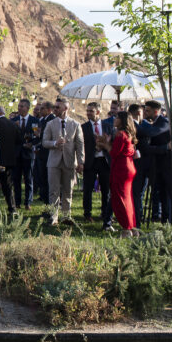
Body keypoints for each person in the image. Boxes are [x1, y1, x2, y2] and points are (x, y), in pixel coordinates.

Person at [42, 97, 84, 226]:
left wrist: (81, 162)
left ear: (66, 108)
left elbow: (80, 144)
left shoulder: (75, 124)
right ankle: (53, 217)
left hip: (69, 161)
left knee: (68, 191)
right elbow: (44, 142)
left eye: (57, 107)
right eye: (54, 107)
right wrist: (55, 143)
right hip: (53, 162)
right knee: (53, 191)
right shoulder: (50, 124)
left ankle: (66, 216)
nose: (54, 109)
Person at [81, 102, 114, 231]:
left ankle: (105, 212)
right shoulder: (83, 127)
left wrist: (104, 145)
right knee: (88, 188)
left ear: (98, 112)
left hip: (104, 161)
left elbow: (112, 142)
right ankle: (87, 213)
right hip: (90, 161)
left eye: (91, 111)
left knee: (106, 189)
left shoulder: (108, 126)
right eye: (87, 110)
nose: (88, 113)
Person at [107, 111, 138, 237]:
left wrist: (105, 144)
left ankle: (126, 228)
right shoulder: (129, 133)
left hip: (121, 167)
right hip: (128, 166)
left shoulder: (120, 134)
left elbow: (114, 152)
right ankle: (132, 226)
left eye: (117, 117)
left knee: (120, 198)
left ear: (122, 120)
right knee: (128, 197)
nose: (114, 119)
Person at [11, 98, 39, 210]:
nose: (19, 108)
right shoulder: (14, 120)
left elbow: (38, 136)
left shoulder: (34, 121)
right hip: (16, 153)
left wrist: (32, 144)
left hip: (28, 153)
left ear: (27, 108)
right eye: (19, 106)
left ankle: (28, 202)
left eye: (22, 106)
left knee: (28, 178)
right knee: (16, 179)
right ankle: (17, 202)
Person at [35, 101, 55, 204]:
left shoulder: (52, 120)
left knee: (48, 178)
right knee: (42, 177)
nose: (40, 110)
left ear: (49, 110)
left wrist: (39, 134)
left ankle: (49, 201)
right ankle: (44, 198)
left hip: (48, 153)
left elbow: (50, 135)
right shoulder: (41, 120)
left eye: (42, 108)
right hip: (41, 152)